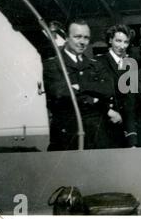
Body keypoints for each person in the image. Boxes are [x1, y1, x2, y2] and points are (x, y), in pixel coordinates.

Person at [43, 18, 119, 151]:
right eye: (77, 37)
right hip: (68, 136)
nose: (82, 42)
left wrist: (81, 86)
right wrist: (96, 101)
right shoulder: (53, 65)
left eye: (86, 38)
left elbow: (108, 89)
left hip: (97, 135)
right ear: (66, 37)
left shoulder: (95, 64)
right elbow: (61, 93)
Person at [96, 24, 134, 148]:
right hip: (108, 121)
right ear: (110, 40)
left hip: (128, 122)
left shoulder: (131, 63)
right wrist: (108, 111)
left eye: (126, 42)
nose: (122, 46)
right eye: (118, 41)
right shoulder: (99, 62)